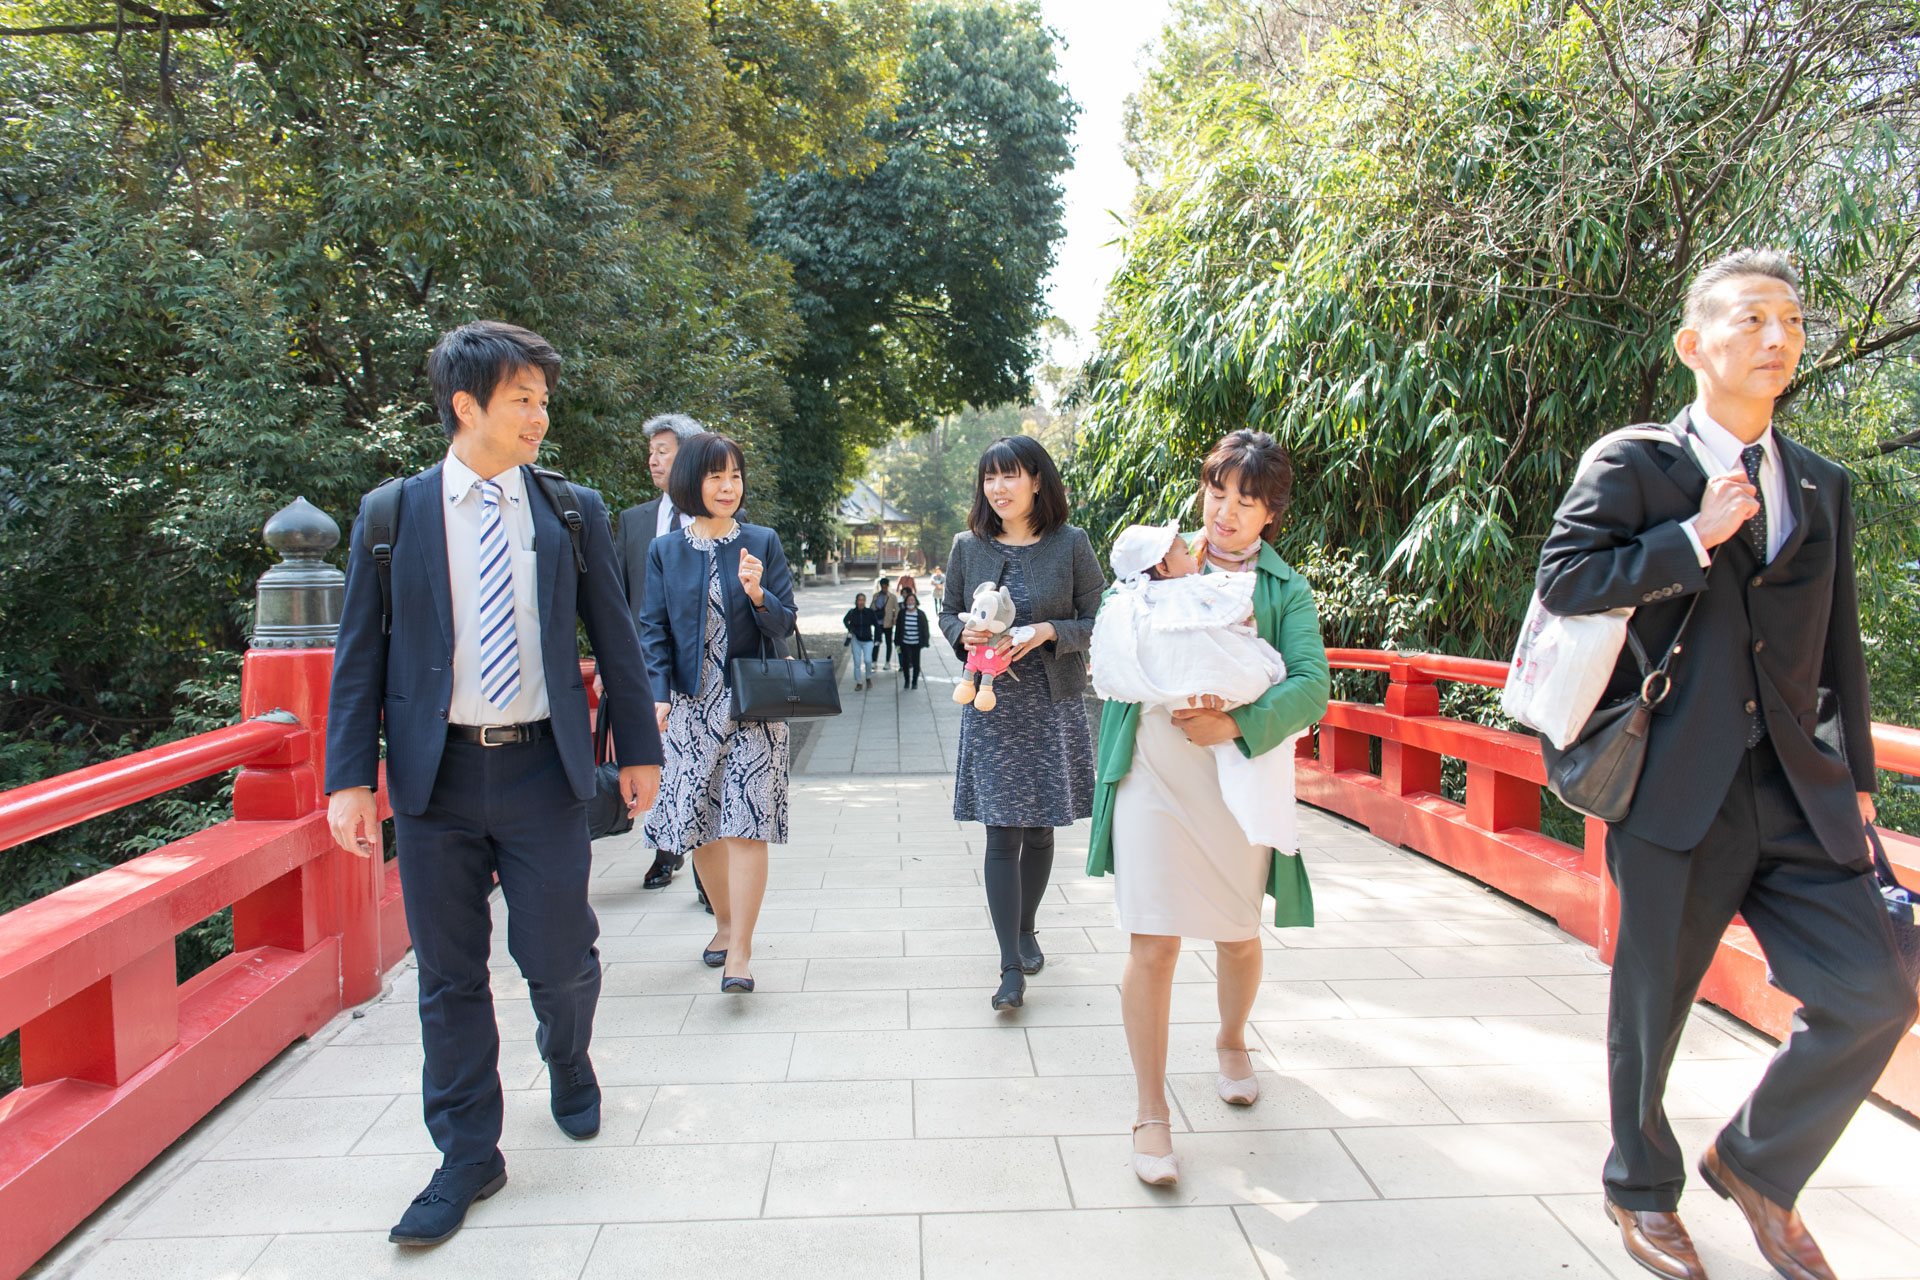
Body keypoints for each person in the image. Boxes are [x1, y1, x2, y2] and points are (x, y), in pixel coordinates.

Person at [1535, 249, 1917, 1280]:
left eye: (1790, 321)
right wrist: (1690, 536)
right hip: (1673, 781)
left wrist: (1862, 786)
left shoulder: (1822, 482)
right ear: (1693, 345)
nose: (1777, 337)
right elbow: (1567, 579)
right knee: (1651, 1004)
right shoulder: (1636, 462)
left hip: (1799, 789)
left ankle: (1755, 1161)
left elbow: (1837, 646)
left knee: (1881, 986)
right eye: (1751, 318)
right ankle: (1642, 1189)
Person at [326, 321, 663, 1246]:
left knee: (558, 959)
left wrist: (640, 750)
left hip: (539, 771)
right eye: (523, 400)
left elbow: (614, 639)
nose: (540, 417)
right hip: (433, 780)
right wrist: (350, 777)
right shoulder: (391, 516)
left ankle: (569, 1055)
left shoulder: (567, 509)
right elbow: (360, 656)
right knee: (448, 977)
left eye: (543, 400)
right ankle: (468, 1153)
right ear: (465, 406)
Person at [1087, 430, 1329, 1189]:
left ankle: (1230, 1039)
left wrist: (1234, 722)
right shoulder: (1156, 555)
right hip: (1155, 770)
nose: (1224, 512)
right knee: (1152, 940)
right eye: (1216, 493)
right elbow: (1114, 635)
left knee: (1235, 937)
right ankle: (1150, 1112)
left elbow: (1312, 685)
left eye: (1245, 502)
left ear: (1271, 516)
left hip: (1234, 778)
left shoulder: (1284, 590)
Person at [939, 435, 1105, 1011]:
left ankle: (1027, 927)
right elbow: (949, 611)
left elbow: (1100, 617)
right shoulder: (968, 545)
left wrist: (1049, 631)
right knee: (1001, 832)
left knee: (1039, 829)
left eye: (1011, 476)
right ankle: (1010, 964)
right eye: (990, 478)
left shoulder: (1072, 544)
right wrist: (964, 633)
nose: (999, 488)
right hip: (990, 709)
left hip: (1051, 702)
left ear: (1038, 480)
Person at [640, 433, 798, 995]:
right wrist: (658, 692)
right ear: (691, 482)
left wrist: (758, 594)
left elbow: (784, 626)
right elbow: (652, 629)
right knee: (701, 824)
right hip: (689, 705)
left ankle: (742, 952)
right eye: (715, 476)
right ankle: (724, 924)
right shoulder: (666, 550)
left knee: (747, 824)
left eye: (735, 475)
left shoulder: (761, 541)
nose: (728, 486)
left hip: (752, 704)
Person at [1089, 522, 1298, 849]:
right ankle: (1262, 818)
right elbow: (1237, 607)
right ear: (1162, 566)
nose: (1192, 555)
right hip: (1181, 722)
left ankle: (1259, 818)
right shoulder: (1183, 591)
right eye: (1185, 553)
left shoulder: (1130, 601)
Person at [614, 413, 704, 890]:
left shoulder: (722, 518)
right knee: (659, 758)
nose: (653, 458)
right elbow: (616, 600)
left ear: (687, 455)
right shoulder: (632, 522)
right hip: (646, 665)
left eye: (663, 450)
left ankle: (709, 878)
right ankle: (666, 852)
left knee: (705, 763)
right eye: (650, 451)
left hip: (704, 668)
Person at [894, 587, 931, 690]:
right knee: (905, 662)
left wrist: (925, 641)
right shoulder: (902, 613)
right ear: (906, 602)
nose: (911, 602)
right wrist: (896, 641)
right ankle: (907, 681)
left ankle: (914, 682)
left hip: (916, 643)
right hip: (905, 642)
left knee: (916, 663)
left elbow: (925, 629)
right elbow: (898, 629)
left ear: (915, 602)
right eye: (909, 600)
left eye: (913, 600)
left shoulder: (920, 614)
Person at [843, 591, 880, 691]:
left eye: (863, 600)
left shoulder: (869, 612)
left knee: (868, 660)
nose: (861, 602)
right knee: (857, 661)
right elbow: (845, 620)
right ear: (856, 601)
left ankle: (868, 677)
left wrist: (878, 638)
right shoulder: (852, 612)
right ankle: (858, 681)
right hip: (856, 639)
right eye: (859, 600)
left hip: (867, 639)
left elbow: (876, 625)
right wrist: (850, 628)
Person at [875, 576, 899, 669]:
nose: (884, 588)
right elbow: (872, 607)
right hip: (878, 623)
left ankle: (887, 662)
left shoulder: (892, 597)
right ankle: (874, 661)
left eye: (885, 587)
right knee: (876, 642)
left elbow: (896, 609)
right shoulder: (876, 596)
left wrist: (895, 618)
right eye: (882, 586)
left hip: (888, 622)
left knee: (888, 643)